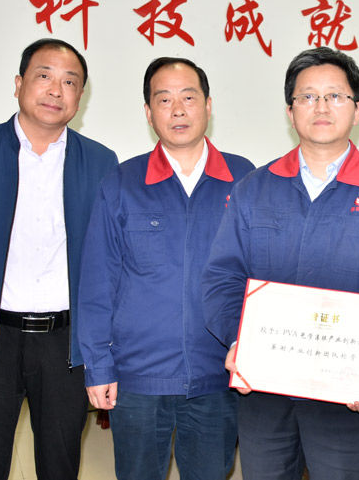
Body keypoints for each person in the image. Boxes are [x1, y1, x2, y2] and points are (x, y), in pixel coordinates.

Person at [202, 46, 359, 480]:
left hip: (347, 398)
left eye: (335, 96)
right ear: (290, 112)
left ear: (357, 109)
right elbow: (222, 277)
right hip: (264, 395)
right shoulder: (254, 188)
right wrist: (239, 341)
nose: (321, 107)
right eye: (307, 97)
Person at [0, 38, 118, 480]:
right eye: (44, 76)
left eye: (69, 82)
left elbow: (109, 267)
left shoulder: (100, 161)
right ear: (18, 84)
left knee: (60, 466)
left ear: (80, 96)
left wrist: (105, 355)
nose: (55, 90)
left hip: (65, 343)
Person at [76, 57, 253, 479]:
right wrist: (98, 367)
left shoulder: (245, 179)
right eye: (164, 99)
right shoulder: (122, 184)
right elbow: (97, 284)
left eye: (188, 97)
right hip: (139, 379)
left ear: (208, 105)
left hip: (219, 375)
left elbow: (263, 275)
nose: (177, 110)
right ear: (148, 111)